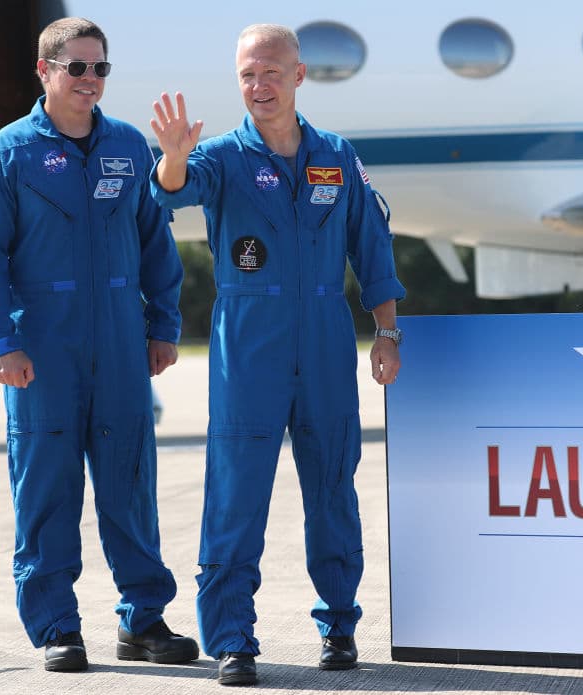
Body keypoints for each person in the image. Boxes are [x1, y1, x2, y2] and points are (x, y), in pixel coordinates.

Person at [149, 23, 405, 686]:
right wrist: (172, 156)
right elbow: (173, 189)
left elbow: (371, 248)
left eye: (269, 73)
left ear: (298, 76)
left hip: (324, 343)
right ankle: (233, 638)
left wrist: (387, 332)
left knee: (332, 490)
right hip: (250, 351)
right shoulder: (224, 158)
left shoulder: (336, 157)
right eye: (246, 76)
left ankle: (340, 625)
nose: (258, 86)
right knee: (236, 496)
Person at [0, 17, 198, 672]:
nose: (90, 81)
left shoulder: (127, 147)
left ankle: (144, 619)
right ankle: (56, 626)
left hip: (122, 344)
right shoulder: (8, 155)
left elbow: (156, 242)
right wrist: (0, 341)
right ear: (45, 72)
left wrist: (163, 326)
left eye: (100, 69)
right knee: (48, 488)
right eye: (77, 68)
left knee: (131, 484)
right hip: (42, 349)